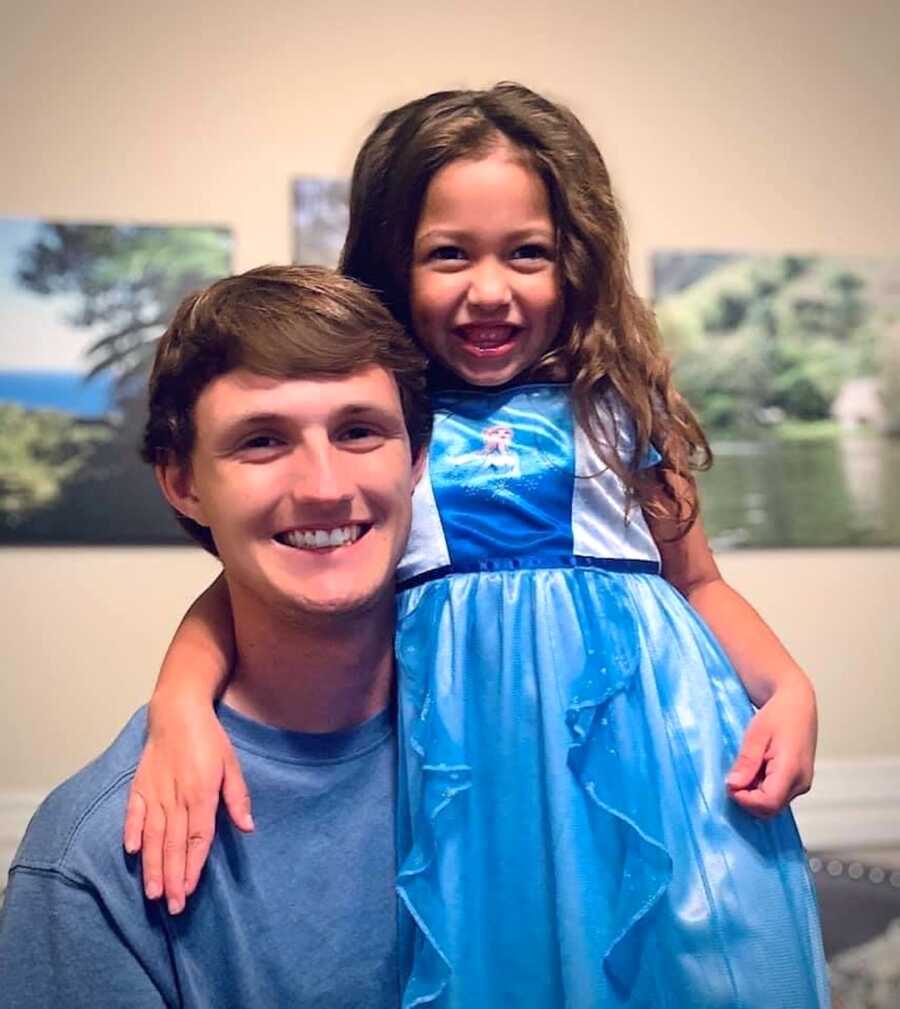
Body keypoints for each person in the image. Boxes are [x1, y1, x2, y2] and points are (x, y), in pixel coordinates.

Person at [125, 85, 830, 1007]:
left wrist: (788, 684)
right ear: (391, 260)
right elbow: (239, 593)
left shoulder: (614, 409)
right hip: (475, 774)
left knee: (696, 962)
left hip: (667, 759)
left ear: (573, 261)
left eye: (526, 254)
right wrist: (180, 706)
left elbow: (698, 582)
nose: (489, 290)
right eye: (448, 254)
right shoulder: (379, 433)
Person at [0, 265, 431, 1007]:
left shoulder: (515, 743)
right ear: (182, 482)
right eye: (262, 441)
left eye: (359, 430)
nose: (325, 485)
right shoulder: (96, 865)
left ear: (417, 458)